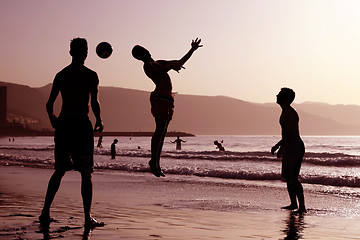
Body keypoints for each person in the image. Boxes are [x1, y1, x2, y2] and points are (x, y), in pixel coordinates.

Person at [39, 38, 104, 228]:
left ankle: (45, 212)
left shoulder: (61, 75)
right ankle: (86, 218)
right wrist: (99, 119)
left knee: (59, 170)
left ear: (70, 53)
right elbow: (94, 102)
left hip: (65, 124)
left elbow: (50, 104)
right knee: (86, 173)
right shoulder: (91, 75)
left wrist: (52, 118)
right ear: (86, 53)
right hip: (82, 125)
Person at [132, 38, 202, 177]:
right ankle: (154, 162)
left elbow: (179, 62)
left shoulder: (158, 62)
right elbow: (161, 71)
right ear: (141, 56)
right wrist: (170, 67)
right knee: (159, 130)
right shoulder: (148, 65)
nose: (146, 51)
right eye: (142, 51)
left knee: (163, 131)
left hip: (167, 98)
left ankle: (156, 162)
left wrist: (192, 50)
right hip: (160, 98)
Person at [271, 88, 306, 213]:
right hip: (289, 146)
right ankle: (293, 203)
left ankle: (302, 207)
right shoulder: (285, 111)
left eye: (279, 94)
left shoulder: (290, 113)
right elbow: (286, 134)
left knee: (293, 177)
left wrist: (278, 146)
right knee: (287, 177)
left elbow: (290, 134)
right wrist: (282, 146)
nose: (277, 95)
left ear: (285, 98)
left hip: (295, 147)